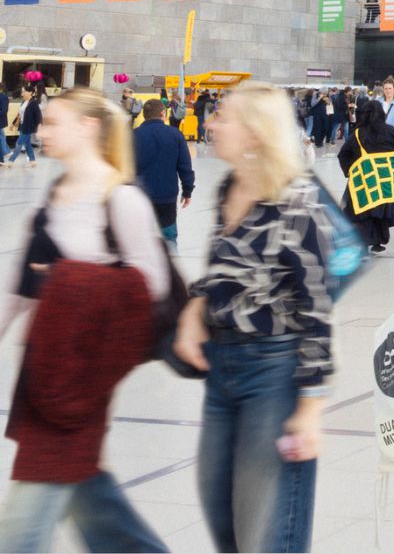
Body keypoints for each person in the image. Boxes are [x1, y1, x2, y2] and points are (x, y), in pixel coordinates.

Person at [0, 89, 170, 554]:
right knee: (88, 493)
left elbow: (151, 285)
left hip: (81, 377)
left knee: (24, 525)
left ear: (88, 128)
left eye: (53, 123)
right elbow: (19, 283)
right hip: (42, 370)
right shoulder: (54, 195)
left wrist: (67, 279)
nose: (41, 131)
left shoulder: (120, 199)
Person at [170, 84, 333, 554]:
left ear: (257, 134)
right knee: (220, 507)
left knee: (266, 527)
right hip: (223, 367)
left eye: (224, 117)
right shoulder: (229, 187)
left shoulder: (298, 201)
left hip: (275, 370)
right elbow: (223, 270)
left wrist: (310, 409)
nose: (212, 124)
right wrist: (194, 310)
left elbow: (317, 310)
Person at [339, 98, 394, 252]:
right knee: (382, 209)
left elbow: (343, 154)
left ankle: (364, 240)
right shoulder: (391, 131)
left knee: (363, 209)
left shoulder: (359, 133)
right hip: (386, 180)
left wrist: (349, 171)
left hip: (365, 180)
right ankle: (379, 241)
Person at [133, 98, 194, 243]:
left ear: (144, 114)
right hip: (166, 196)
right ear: (163, 113)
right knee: (169, 237)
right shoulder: (175, 134)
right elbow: (185, 166)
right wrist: (187, 190)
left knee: (139, 239)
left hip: (138, 196)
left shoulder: (132, 135)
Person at [4, 86, 40, 166]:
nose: (22, 93)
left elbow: (38, 116)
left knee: (19, 143)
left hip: (28, 127)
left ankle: (11, 161)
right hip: (22, 125)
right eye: (22, 91)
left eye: (24, 91)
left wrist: (38, 126)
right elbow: (19, 114)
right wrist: (13, 124)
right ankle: (32, 161)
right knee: (27, 144)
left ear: (30, 92)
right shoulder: (24, 102)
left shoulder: (33, 103)